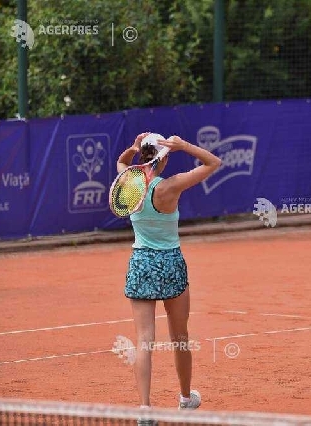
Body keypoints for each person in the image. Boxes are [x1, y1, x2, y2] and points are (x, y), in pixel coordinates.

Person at [116, 132, 221, 412]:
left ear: (142, 155)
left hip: (141, 263)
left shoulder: (129, 183)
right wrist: (184, 146)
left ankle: (145, 409)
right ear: (163, 158)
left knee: (144, 341)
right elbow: (213, 163)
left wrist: (133, 149)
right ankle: (186, 399)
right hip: (171, 263)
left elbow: (121, 162)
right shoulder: (171, 186)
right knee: (180, 337)